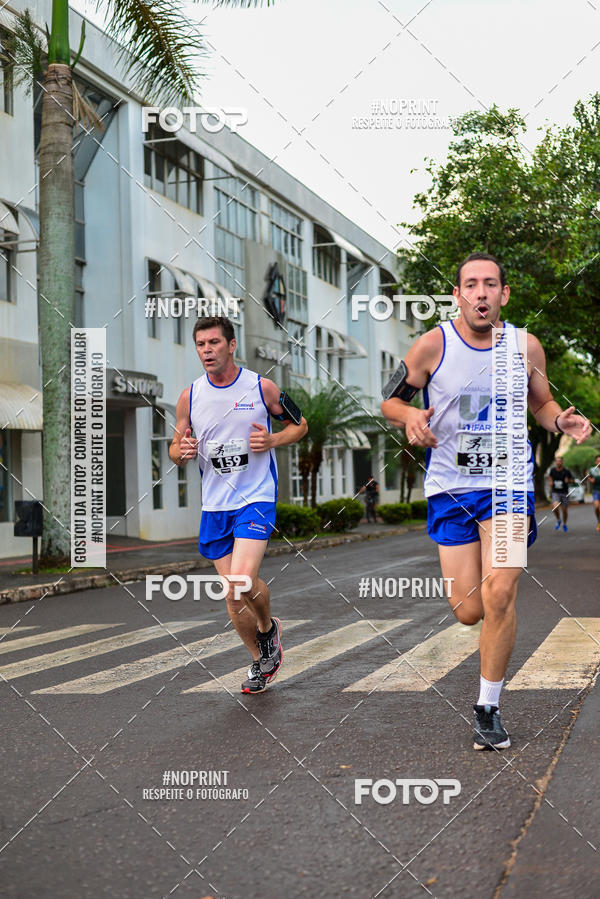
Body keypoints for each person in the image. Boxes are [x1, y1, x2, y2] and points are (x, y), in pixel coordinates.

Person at [381, 252, 591, 751]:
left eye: (490, 284)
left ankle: (488, 707)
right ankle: (485, 679)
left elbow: (541, 403)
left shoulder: (525, 346)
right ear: (457, 294)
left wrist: (560, 421)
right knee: (468, 610)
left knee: (500, 593)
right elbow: (390, 400)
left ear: (504, 294)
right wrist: (409, 418)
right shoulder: (433, 345)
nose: (480, 293)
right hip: (451, 488)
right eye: (470, 285)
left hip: (509, 486)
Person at [169, 316, 308, 694]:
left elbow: (301, 425)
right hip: (215, 506)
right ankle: (261, 657)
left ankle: (268, 629)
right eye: (200, 344)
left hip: (255, 498)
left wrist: (273, 441)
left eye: (214, 342)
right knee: (233, 597)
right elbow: (174, 447)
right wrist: (180, 451)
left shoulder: (261, 388)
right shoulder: (190, 396)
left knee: (242, 579)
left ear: (231, 345)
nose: (207, 350)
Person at [547, 456, 574, 532]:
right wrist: (551, 482)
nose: (558, 462)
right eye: (557, 461)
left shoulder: (566, 471)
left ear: (562, 462)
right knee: (555, 507)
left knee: (564, 510)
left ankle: (564, 524)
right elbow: (550, 477)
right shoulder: (552, 470)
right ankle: (558, 520)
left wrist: (568, 480)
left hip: (564, 492)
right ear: (556, 462)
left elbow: (573, 480)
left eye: (560, 461)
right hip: (556, 492)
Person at [585, 454, 600, 531]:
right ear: (595, 462)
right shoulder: (592, 470)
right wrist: (589, 477)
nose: (599, 462)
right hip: (596, 491)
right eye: (598, 461)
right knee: (596, 506)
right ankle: (599, 521)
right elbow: (590, 479)